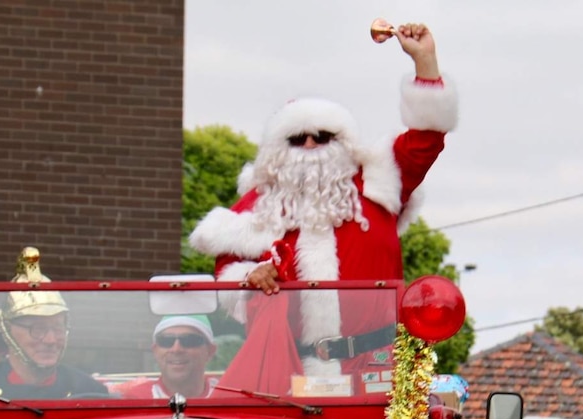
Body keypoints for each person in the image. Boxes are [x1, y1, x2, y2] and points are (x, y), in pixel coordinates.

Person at [188, 23, 458, 387]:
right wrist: (250, 281)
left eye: (324, 136)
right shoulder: (256, 210)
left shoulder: (379, 182)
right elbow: (229, 277)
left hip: (377, 366)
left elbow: (426, 138)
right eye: (298, 138)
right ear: (278, 150)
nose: (312, 146)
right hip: (292, 370)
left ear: (344, 141)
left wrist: (424, 60)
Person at [0, 247, 108, 400]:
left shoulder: (90, 391)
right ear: (8, 330)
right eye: (38, 329)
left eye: (58, 328)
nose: (51, 340)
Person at [117, 315, 219, 399]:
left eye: (189, 341)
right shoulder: (135, 399)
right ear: (155, 351)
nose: (176, 349)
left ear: (210, 351)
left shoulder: (230, 397)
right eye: (166, 341)